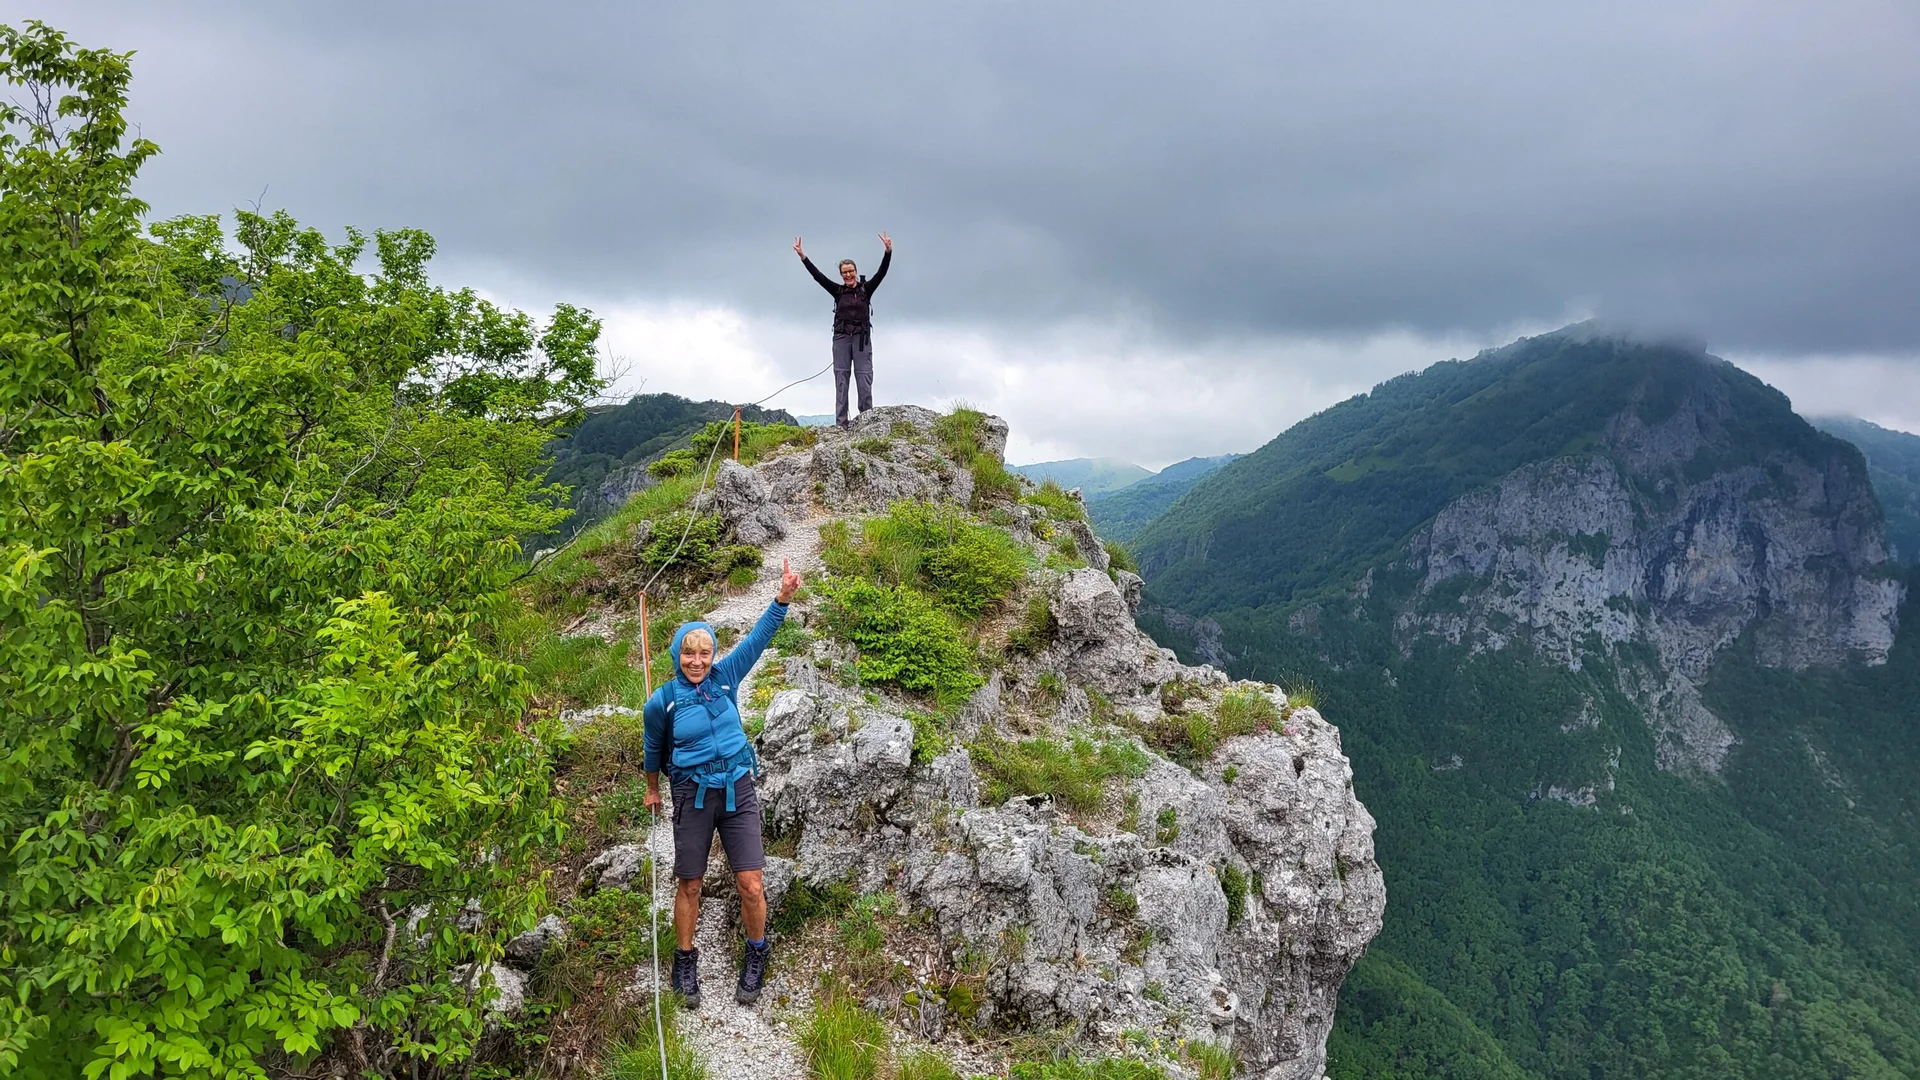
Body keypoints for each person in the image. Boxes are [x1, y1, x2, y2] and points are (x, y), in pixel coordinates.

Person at [642, 559, 803, 1008]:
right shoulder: (663, 702)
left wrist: (782, 599)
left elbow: (757, 640)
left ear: (713, 655)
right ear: (677, 656)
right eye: (688, 654)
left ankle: (756, 953)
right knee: (689, 883)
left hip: (737, 787)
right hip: (691, 793)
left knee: (751, 882)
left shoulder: (726, 678)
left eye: (704, 653)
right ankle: (684, 959)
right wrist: (653, 788)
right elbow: (653, 749)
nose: (697, 662)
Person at [794, 232, 891, 427]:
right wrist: (803, 256)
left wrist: (888, 251)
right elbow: (818, 277)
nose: (848, 274)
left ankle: (866, 421)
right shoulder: (838, 291)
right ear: (841, 274)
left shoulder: (866, 289)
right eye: (844, 272)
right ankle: (841, 424)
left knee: (864, 378)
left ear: (856, 271)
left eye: (851, 271)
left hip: (862, 339)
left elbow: (882, 272)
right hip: (841, 338)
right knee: (841, 378)